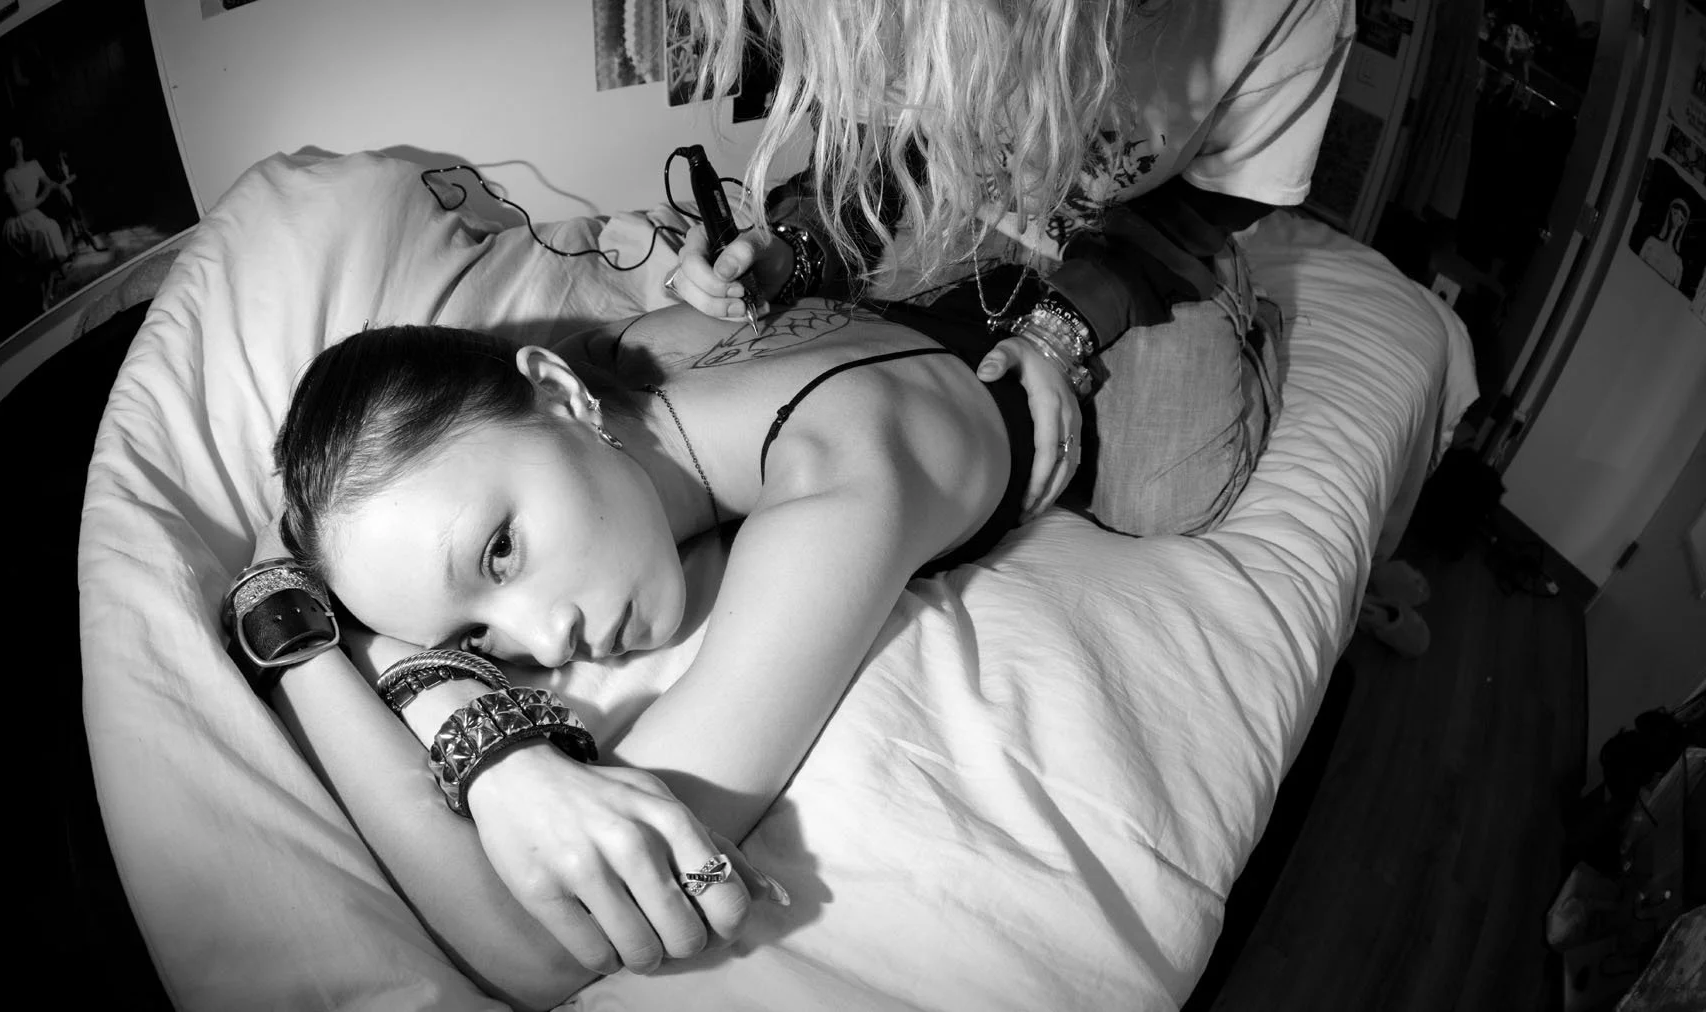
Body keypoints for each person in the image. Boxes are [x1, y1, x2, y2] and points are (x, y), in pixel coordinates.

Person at [230, 291, 1050, 1008]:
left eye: (501, 551)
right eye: (475, 636)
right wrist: (486, 739)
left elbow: (543, 948)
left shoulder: (838, 486)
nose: (545, 641)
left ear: (558, 393)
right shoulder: (630, 356)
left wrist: (292, 642)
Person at [669, 0, 1354, 536]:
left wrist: (1062, 331)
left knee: (1160, 495)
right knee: (830, 350)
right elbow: (878, 154)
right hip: (958, 194)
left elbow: (1213, 202)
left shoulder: (1295, 12)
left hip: (1145, 232)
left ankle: (1245, 318)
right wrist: (796, 248)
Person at [1, 136, 69, 307]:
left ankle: (50, 284)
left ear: (22, 146)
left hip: (35, 215)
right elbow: (19, 208)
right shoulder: (9, 175)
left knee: (51, 227)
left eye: (18, 144)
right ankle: (44, 295)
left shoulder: (33, 165)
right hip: (19, 221)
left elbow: (48, 183)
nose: (15, 148)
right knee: (43, 233)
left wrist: (60, 186)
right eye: (11, 146)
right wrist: (43, 196)